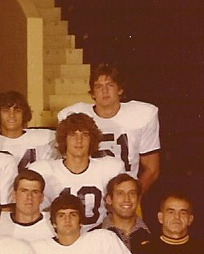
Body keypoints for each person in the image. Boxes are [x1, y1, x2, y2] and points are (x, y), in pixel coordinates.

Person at [57, 63, 161, 192]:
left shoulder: (143, 114)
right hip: (87, 190)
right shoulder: (75, 115)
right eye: (99, 87)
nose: (104, 91)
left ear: (120, 89)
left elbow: (152, 169)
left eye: (110, 85)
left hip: (125, 192)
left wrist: (132, 196)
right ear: (92, 93)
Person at [29, 111, 122, 226]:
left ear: (91, 139)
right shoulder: (44, 170)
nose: (79, 140)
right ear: (64, 139)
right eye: (73, 135)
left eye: (85, 135)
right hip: (59, 238)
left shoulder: (109, 167)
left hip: (98, 237)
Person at [0, 90, 53, 171]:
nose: (11, 115)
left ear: (24, 113)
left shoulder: (46, 137)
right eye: (6, 110)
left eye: (17, 110)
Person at [95, 172, 152, 251]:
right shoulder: (94, 236)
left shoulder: (153, 235)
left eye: (132, 193)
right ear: (109, 199)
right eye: (120, 194)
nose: (127, 199)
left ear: (138, 199)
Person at [2, 168, 54, 242]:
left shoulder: (53, 222)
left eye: (35, 192)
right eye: (24, 191)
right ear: (14, 195)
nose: (29, 196)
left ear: (42, 197)